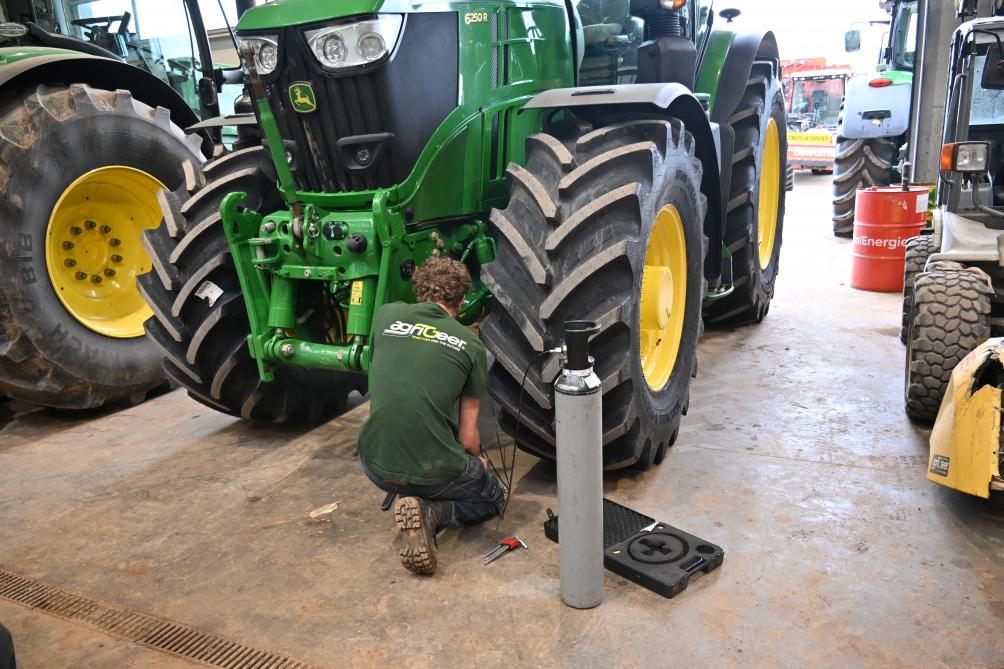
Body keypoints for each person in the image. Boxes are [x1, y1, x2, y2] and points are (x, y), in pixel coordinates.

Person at [357, 255, 505, 575]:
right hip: (435, 471)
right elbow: (468, 437)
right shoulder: (470, 344)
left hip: (374, 464)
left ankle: (412, 492)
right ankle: (433, 511)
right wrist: (476, 465)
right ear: (462, 300)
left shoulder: (386, 315)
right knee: (490, 495)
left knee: (417, 458)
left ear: (419, 290)